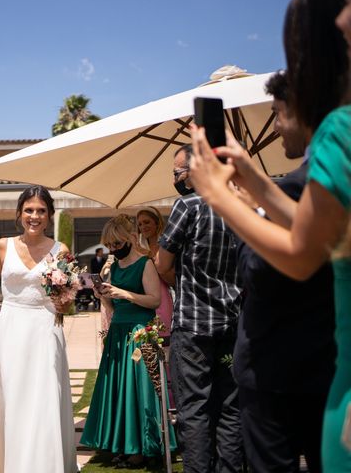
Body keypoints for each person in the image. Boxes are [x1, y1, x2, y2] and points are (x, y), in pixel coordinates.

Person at [188, 0, 350, 468]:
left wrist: (216, 195)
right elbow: (315, 230)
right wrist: (253, 183)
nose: (343, 17)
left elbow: (304, 253)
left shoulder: (339, 130)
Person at [229, 70, 337, 472]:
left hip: (276, 370)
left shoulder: (303, 184)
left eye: (278, 114)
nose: (274, 127)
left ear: (304, 111)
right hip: (326, 365)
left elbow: (261, 272)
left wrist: (238, 209)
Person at [0, 185, 78, 473]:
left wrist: (63, 296)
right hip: (11, 325)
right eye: (29, 210)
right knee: (13, 395)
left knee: (44, 395)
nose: (35, 216)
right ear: (19, 214)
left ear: (50, 215)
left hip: (45, 327)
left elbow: (67, 305)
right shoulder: (3, 245)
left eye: (41, 211)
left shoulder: (61, 250)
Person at [156, 144, 244, 472]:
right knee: (231, 410)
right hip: (232, 324)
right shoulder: (240, 207)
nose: (176, 179)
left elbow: (163, 263)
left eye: (178, 173)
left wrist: (185, 282)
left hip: (192, 326)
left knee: (194, 411)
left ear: (194, 174)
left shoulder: (188, 206)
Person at [81, 214, 176, 468]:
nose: (113, 249)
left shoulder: (145, 264)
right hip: (118, 333)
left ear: (129, 239)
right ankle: (123, 443)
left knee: (139, 389)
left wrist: (123, 292)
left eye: (116, 243)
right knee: (120, 389)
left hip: (139, 332)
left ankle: (145, 446)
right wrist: (102, 294)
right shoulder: (114, 267)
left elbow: (154, 300)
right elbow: (112, 305)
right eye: (110, 245)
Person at [136, 207, 174, 340]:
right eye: (140, 224)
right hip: (140, 301)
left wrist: (154, 260)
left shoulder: (166, 246)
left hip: (163, 299)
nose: (143, 226)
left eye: (146, 222)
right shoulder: (137, 248)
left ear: (157, 223)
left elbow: (173, 280)